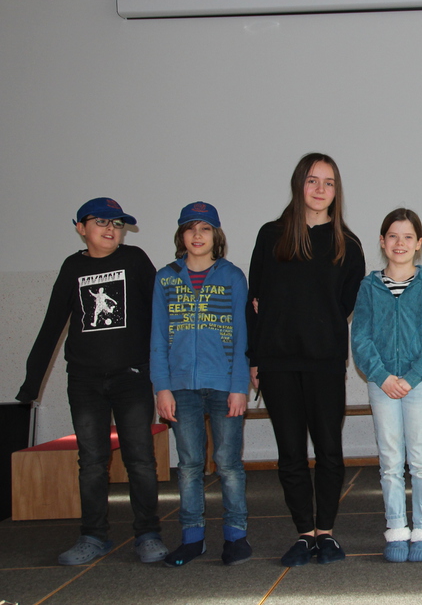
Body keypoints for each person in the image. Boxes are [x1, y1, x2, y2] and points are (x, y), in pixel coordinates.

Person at [18, 198, 166, 565]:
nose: (110, 229)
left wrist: (167, 372)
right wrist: (31, 384)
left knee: (140, 459)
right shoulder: (73, 267)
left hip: (131, 377)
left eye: (117, 223)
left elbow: (161, 313)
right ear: (81, 228)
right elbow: (53, 323)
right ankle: (93, 536)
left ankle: (147, 534)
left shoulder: (135, 260)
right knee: (92, 461)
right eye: (101, 222)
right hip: (85, 382)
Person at [247, 153, 365, 567]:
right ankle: (304, 533)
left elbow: (346, 303)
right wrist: (255, 358)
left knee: (330, 450)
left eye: (328, 183)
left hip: (324, 361)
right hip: (277, 362)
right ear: (299, 184)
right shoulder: (271, 235)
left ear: (336, 191)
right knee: (291, 453)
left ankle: (326, 533)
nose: (320, 189)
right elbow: (255, 299)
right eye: (313, 180)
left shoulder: (348, 244)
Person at [151, 201, 251, 567]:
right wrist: (161, 387)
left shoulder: (232, 277)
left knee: (228, 463)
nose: (197, 235)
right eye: (190, 228)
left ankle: (236, 536)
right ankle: (192, 538)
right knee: (190, 464)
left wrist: (240, 387)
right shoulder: (165, 278)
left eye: (205, 228)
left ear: (216, 235)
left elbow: (242, 337)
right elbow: (157, 337)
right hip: (180, 387)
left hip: (225, 385)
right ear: (181, 235)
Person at [351, 208, 422, 563]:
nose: (400, 243)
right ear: (382, 241)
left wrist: (412, 377)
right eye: (393, 236)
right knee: (390, 460)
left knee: (420, 460)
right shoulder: (369, 286)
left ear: (419, 243)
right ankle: (396, 527)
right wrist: (383, 377)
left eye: (408, 237)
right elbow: (360, 338)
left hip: (417, 384)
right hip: (382, 385)